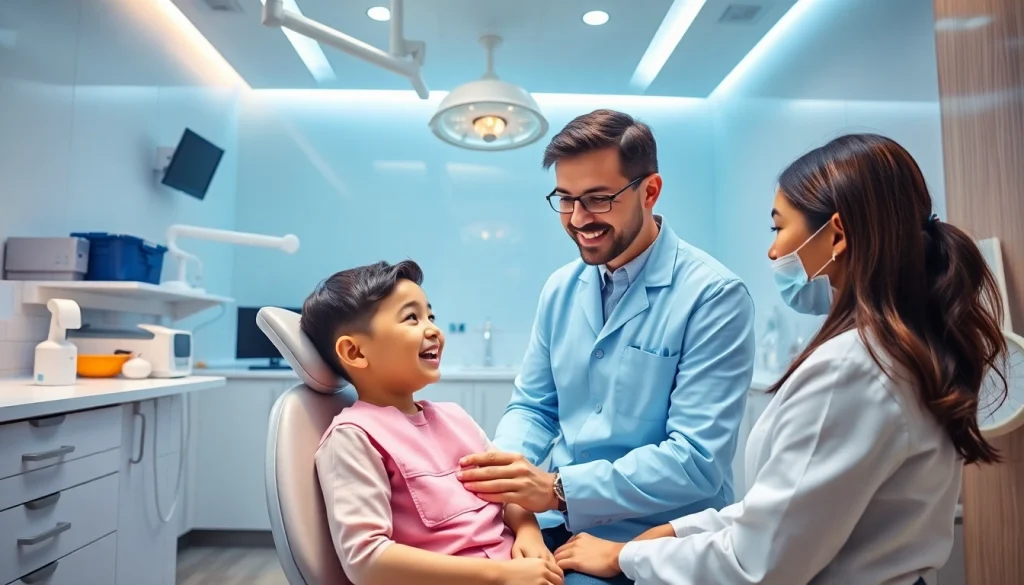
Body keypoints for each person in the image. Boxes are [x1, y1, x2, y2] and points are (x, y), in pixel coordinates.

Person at [549, 133, 1009, 585]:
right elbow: (786, 512)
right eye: (566, 199)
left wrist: (627, 556)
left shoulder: (851, 370)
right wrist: (676, 532)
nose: (773, 251)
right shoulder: (901, 351)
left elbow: (760, 563)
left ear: (836, 235)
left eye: (779, 228)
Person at [457, 109, 757, 584]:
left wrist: (558, 489)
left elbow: (696, 460)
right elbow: (534, 408)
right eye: (565, 199)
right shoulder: (561, 288)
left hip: (652, 540)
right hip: (558, 524)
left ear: (650, 191)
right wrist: (508, 482)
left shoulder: (713, 296)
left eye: (598, 199)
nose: (579, 219)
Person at [303, 260, 565, 585]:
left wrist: (528, 534)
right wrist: (501, 574)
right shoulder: (354, 438)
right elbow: (367, 560)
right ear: (355, 352)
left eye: (431, 316)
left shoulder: (455, 418)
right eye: (411, 318)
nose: (433, 330)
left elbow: (508, 491)